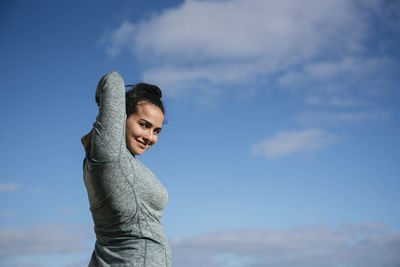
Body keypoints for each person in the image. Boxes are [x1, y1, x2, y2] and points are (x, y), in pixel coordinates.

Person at [81, 71, 171, 266]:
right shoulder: (109, 155)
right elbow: (112, 80)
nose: (150, 137)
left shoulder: (118, 158)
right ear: (121, 117)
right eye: (144, 125)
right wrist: (101, 123)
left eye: (156, 130)